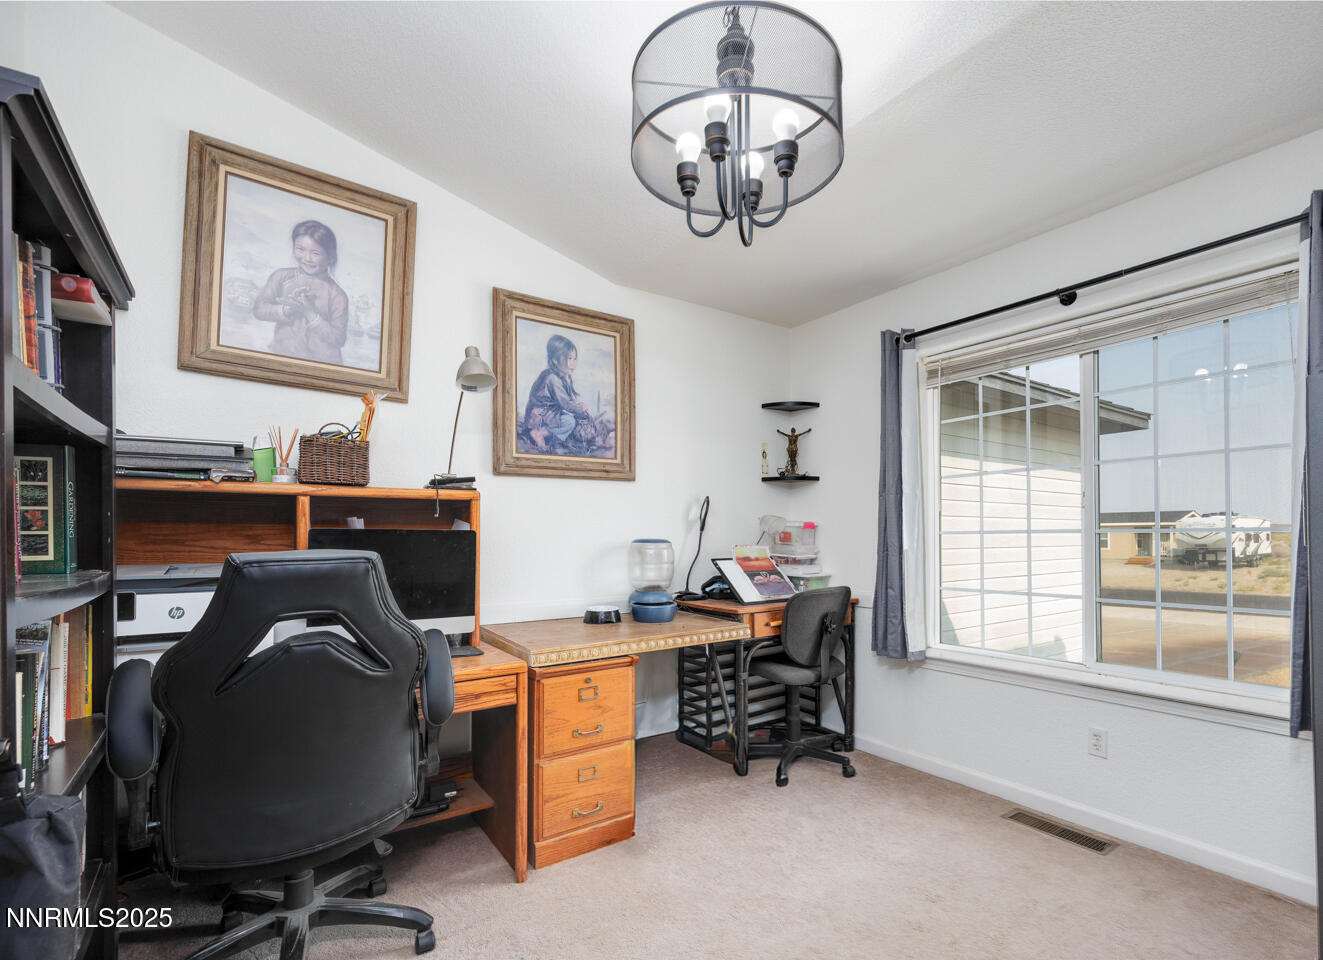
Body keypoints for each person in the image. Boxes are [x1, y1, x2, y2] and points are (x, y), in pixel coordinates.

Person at [252, 220, 350, 364]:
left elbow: (338, 338)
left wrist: (309, 313)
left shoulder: (337, 294)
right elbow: (259, 309)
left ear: (330, 258)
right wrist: (287, 310)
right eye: (300, 249)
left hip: (322, 366)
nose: (307, 258)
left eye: (315, 253)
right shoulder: (281, 277)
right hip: (283, 357)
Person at [523, 333, 592, 450]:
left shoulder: (557, 376)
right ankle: (539, 433)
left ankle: (544, 435)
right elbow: (564, 403)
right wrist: (579, 409)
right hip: (540, 415)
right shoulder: (553, 378)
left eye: (575, 358)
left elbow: (564, 400)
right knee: (569, 422)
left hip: (547, 413)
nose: (573, 363)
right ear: (555, 360)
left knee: (568, 419)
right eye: (569, 358)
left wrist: (574, 406)